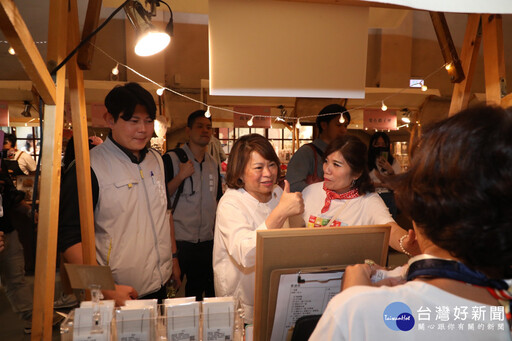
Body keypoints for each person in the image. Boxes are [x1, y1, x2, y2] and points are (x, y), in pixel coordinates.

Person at [310, 106, 512, 340]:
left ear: (422, 205)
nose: (328, 169)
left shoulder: (360, 308)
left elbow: (391, 232)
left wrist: (354, 299)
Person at [58, 82, 179, 305]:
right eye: (133, 121)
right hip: (118, 292)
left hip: (160, 284)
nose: (143, 129)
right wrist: (107, 290)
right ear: (110, 119)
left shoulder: (157, 160)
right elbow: (69, 240)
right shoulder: (88, 168)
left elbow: (165, 212)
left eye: (148, 121)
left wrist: (173, 258)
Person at [213, 134, 304, 323]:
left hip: (278, 295)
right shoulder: (231, 203)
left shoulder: (278, 193)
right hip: (243, 306)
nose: (268, 173)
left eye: (271, 164)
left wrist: (296, 215)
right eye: (258, 167)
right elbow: (245, 254)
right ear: (239, 172)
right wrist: (280, 213)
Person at [301, 135, 418, 255]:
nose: (327, 169)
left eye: (336, 164)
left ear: (356, 173)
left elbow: (390, 229)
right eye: (326, 161)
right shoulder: (310, 192)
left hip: (348, 273)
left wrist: (405, 242)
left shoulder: (368, 200)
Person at [163, 110, 222, 301]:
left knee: (198, 295)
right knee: (174, 295)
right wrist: (180, 177)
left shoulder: (213, 163)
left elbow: (218, 199)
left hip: (205, 242)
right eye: (199, 126)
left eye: (208, 127)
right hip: (178, 242)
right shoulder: (172, 159)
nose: (205, 130)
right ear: (188, 131)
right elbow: (160, 199)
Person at [286, 104, 350, 192]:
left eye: (345, 126)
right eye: (338, 125)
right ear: (324, 125)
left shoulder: (344, 153)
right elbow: (293, 184)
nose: (343, 130)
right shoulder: (306, 152)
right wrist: (324, 194)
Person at [368, 132, 402, 219]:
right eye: (377, 144)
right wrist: (383, 184)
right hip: (371, 197)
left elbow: (397, 184)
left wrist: (390, 170)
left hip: (388, 198)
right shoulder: (366, 162)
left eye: (383, 144)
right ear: (372, 145)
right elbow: (364, 182)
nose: (380, 147)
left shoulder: (393, 162)